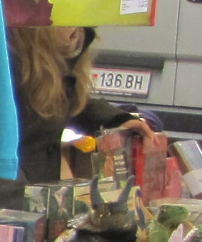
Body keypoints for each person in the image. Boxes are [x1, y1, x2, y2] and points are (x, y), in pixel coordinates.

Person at [11, 23, 149, 184]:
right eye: (70, 21)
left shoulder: (49, 63)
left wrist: (116, 120)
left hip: (33, 186)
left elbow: (62, 104)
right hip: (11, 190)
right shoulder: (11, 64)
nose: (77, 32)